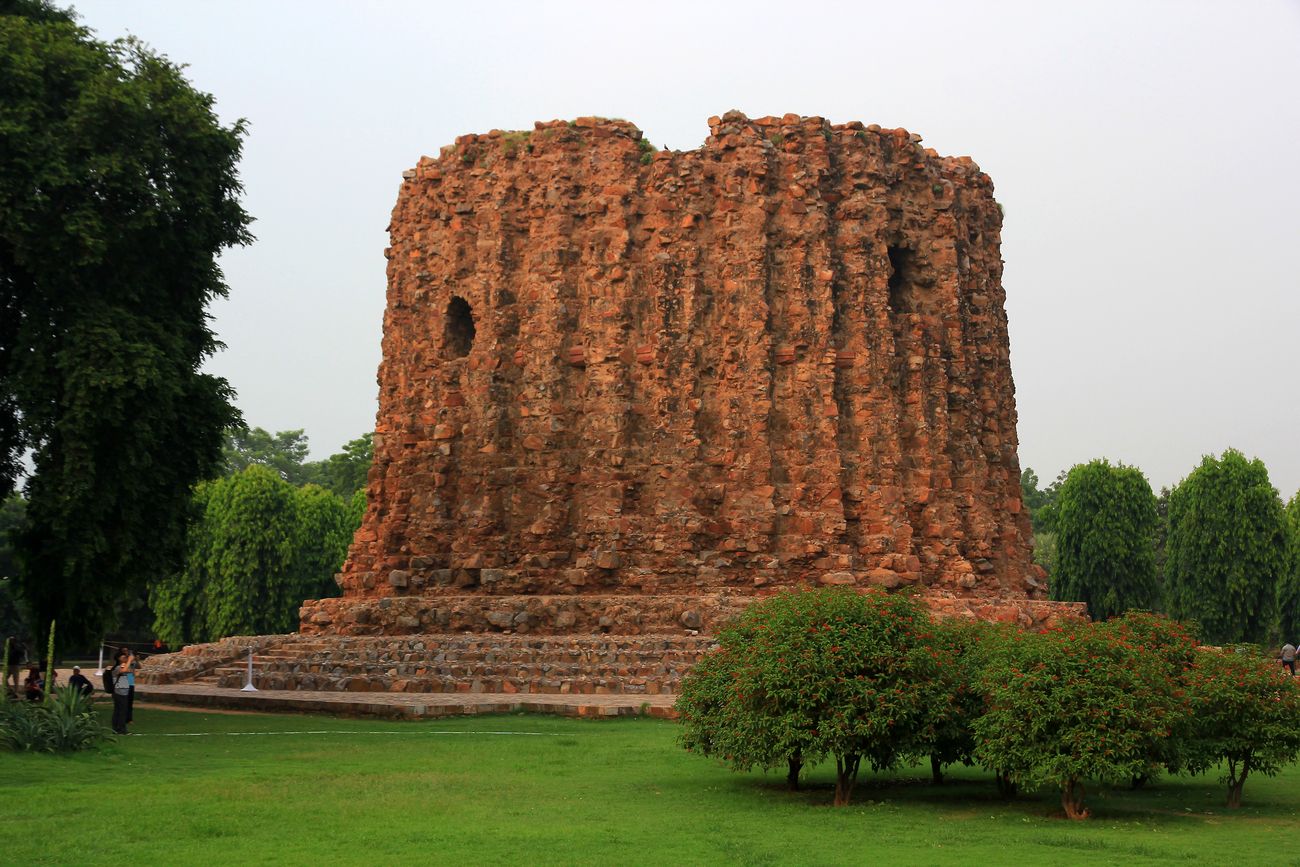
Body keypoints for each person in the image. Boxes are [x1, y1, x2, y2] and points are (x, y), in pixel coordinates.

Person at [110, 651, 132, 734]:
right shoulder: (117, 668)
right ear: (119, 658)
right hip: (119, 692)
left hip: (123, 692)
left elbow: (130, 671)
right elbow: (123, 671)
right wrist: (129, 660)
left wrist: (129, 662)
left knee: (118, 711)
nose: (125, 658)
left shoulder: (123, 666)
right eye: (123, 657)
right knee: (121, 712)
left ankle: (116, 729)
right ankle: (121, 730)